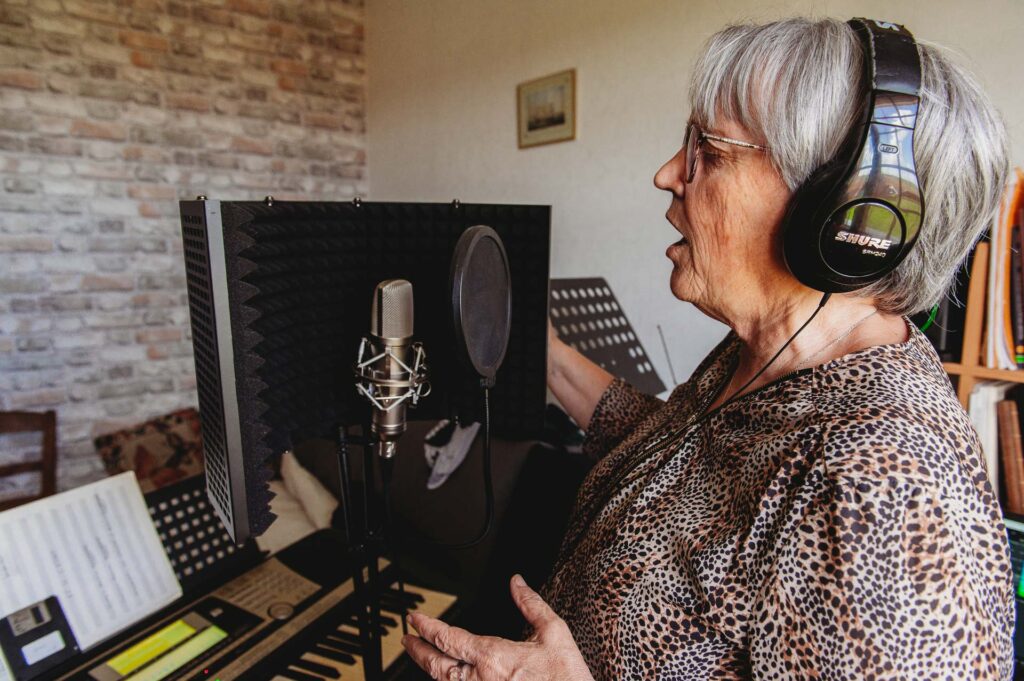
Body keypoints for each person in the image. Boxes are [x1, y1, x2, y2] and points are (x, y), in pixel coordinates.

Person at [402, 17, 1014, 680]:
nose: (668, 174)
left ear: (840, 215)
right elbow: (679, 460)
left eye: (709, 151)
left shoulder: (886, 486)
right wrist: (537, 347)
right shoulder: (764, 354)